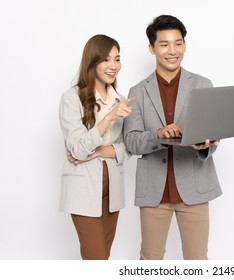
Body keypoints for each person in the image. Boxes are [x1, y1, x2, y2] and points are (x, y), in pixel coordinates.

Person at [123, 15, 222, 260]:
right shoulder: (137, 91)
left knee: (197, 260)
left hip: (195, 188)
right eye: (164, 44)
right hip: (154, 192)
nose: (172, 51)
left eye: (178, 43)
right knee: (150, 261)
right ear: (152, 48)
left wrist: (205, 145)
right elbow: (132, 141)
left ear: (185, 45)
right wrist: (158, 135)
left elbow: (212, 137)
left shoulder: (203, 85)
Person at [59, 34, 135, 260]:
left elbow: (128, 148)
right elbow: (77, 149)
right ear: (92, 61)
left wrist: (102, 151)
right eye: (106, 60)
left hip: (112, 192)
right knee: (97, 259)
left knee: (103, 258)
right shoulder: (72, 98)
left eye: (117, 59)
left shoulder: (120, 99)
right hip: (83, 190)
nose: (114, 66)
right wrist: (108, 118)